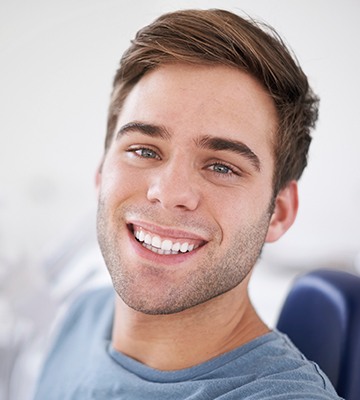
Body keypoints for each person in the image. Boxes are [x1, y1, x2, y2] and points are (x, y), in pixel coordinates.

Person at [33, 8, 342, 400]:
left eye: (221, 166)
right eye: (144, 150)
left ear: (278, 212)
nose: (169, 191)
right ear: (101, 170)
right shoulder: (84, 316)